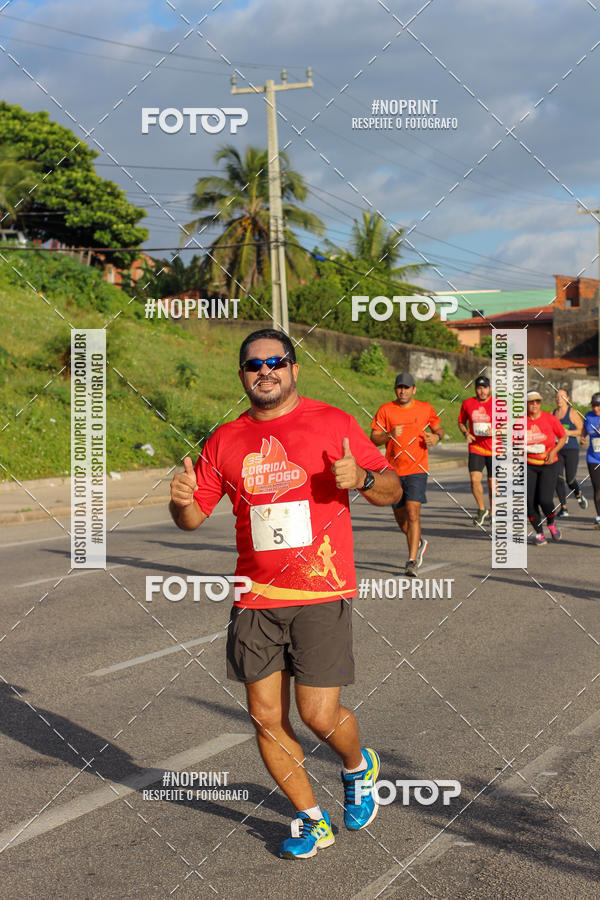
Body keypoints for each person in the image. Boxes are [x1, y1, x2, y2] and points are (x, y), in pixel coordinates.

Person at [169, 328, 401, 860]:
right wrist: (180, 501)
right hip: (255, 598)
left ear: (295, 369)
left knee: (319, 716)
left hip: (322, 590)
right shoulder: (225, 439)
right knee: (265, 716)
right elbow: (192, 517)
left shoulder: (333, 422)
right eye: (254, 365)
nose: (265, 371)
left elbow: (392, 490)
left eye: (276, 361)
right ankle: (310, 819)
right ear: (243, 375)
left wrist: (361, 477)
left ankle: (357, 765)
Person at [370, 373, 444, 578]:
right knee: (401, 518)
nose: (402, 391)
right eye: (399, 387)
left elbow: (439, 428)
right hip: (393, 471)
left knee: (413, 512)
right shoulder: (386, 410)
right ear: (395, 389)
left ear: (414, 389)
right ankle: (419, 541)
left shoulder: (425, 408)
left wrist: (436, 437)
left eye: (406, 387)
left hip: (417, 469)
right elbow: (374, 438)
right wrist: (389, 434)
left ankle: (411, 561)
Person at [526, 390, 567, 545]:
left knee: (545, 500)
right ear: (526, 404)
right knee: (530, 503)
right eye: (531, 401)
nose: (535, 404)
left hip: (548, 464)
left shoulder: (550, 419)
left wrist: (554, 451)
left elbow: (562, 437)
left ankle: (551, 522)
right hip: (529, 465)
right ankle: (539, 533)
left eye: (537, 401)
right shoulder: (520, 421)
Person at [458, 375, 495, 526]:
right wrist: (466, 433)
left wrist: (496, 431)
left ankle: (493, 512)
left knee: (493, 484)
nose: (482, 391)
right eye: (479, 388)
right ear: (475, 389)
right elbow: (461, 422)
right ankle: (481, 509)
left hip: (495, 449)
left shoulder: (498, 404)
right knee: (474, 481)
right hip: (476, 447)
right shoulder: (468, 403)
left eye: (485, 388)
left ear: (490, 388)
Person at [552, 389, 587, 517]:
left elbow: (580, 430)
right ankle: (564, 507)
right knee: (557, 478)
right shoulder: (553, 414)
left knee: (570, 478)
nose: (559, 399)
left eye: (562, 396)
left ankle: (578, 493)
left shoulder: (572, 413)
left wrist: (568, 433)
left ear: (568, 398)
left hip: (571, 449)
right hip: (557, 450)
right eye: (557, 396)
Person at [581, 392, 600, 528]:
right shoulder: (588, 415)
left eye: (598, 406)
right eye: (594, 405)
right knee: (597, 487)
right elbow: (584, 429)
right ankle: (599, 514)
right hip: (593, 457)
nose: (595, 408)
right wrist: (582, 437)